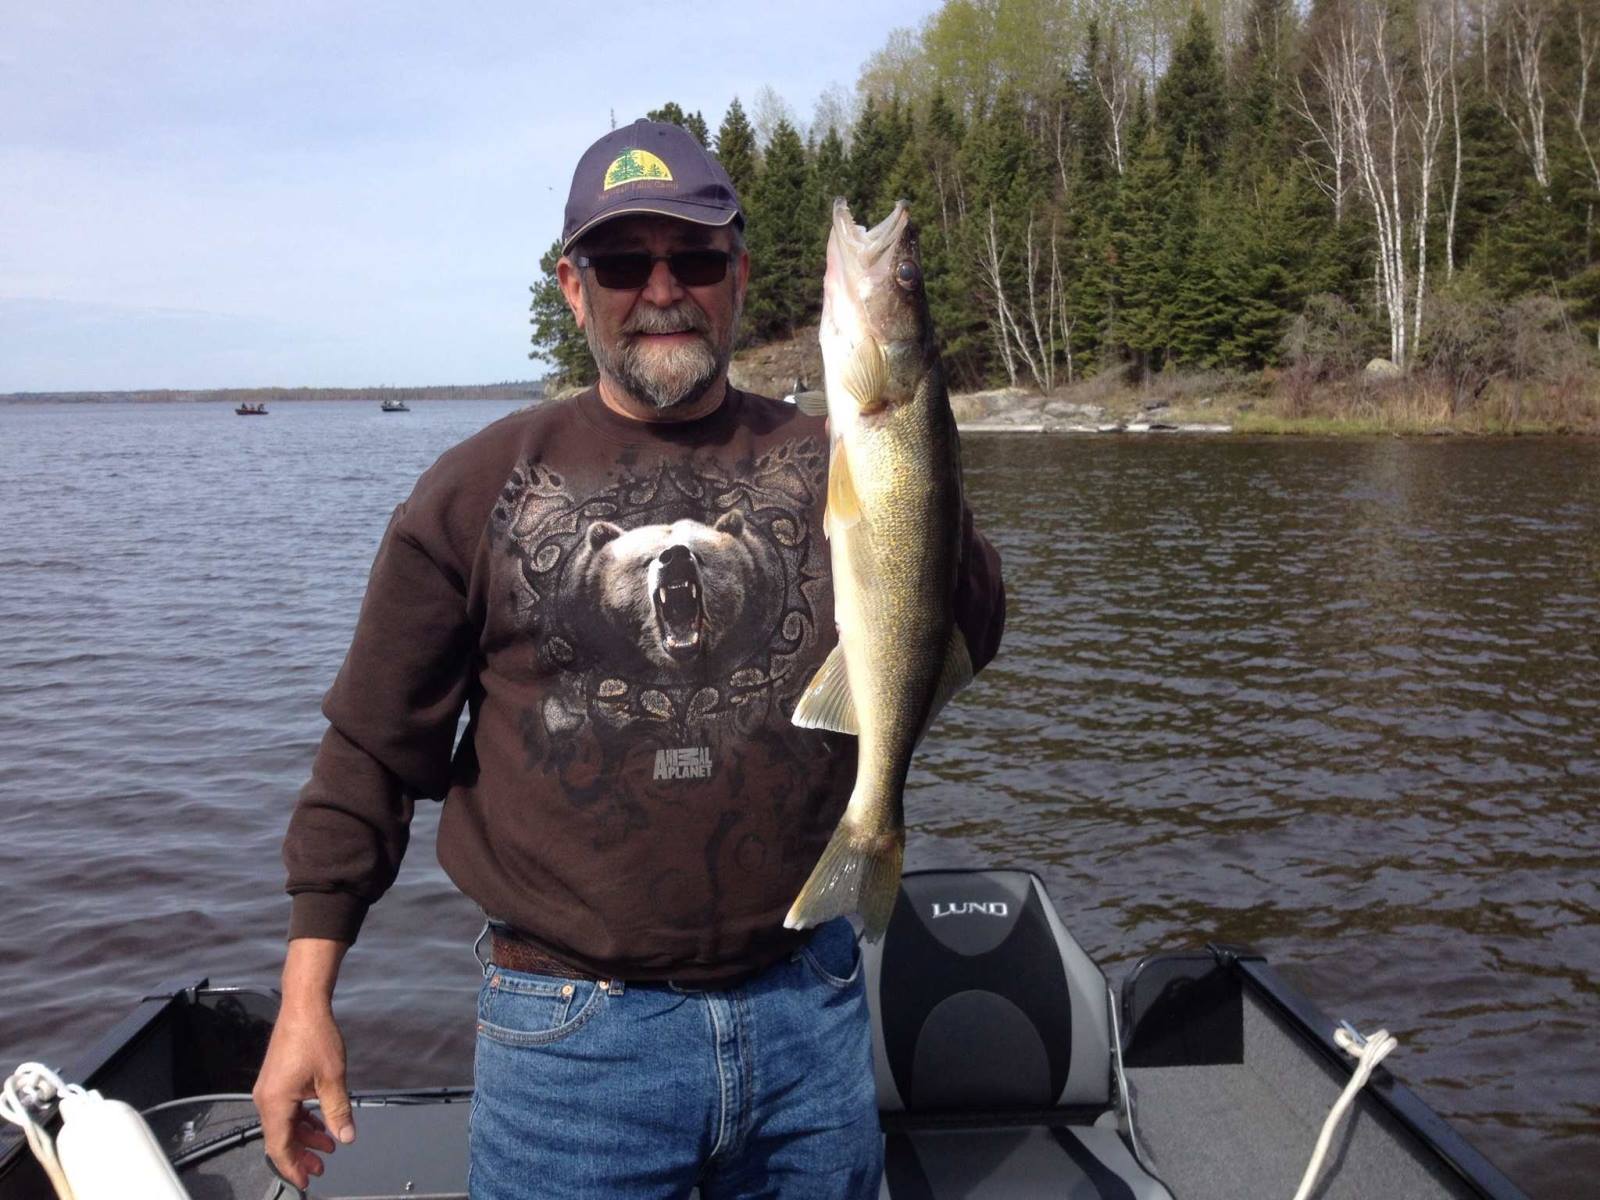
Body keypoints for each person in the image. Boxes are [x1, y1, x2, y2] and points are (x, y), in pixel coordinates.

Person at [251, 118, 1005, 1198]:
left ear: (738, 277)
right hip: (571, 1044)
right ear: (572, 286)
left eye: (694, 258)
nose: (662, 290)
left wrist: (915, 455)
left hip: (807, 1011)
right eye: (622, 262)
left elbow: (969, 628)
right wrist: (305, 1000)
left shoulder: (823, 457)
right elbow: (370, 753)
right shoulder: (479, 487)